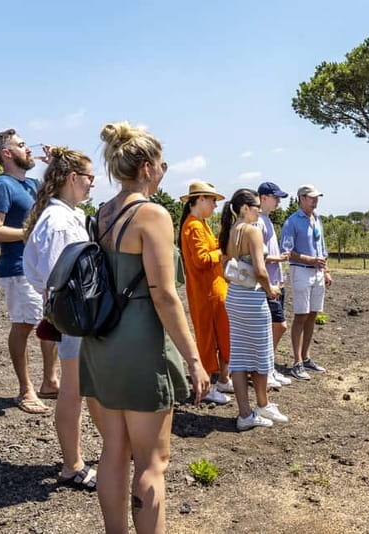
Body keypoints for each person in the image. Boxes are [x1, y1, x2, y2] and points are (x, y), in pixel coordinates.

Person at [80, 122, 210, 533]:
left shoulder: (102, 212)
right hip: (140, 345)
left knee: (112, 452)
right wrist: (194, 358)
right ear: (150, 168)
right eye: (163, 165)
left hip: (100, 342)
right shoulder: (151, 214)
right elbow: (165, 294)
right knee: (153, 464)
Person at [23, 146, 102, 490]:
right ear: (73, 178)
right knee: (73, 391)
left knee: (87, 387)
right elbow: (59, 277)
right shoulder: (58, 222)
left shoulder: (63, 216)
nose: (91, 185)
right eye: (89, 178)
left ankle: (111, 444)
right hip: (75, 315)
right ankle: (72, 465)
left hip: (77, 314)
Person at [0, 129, 58, 414]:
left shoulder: (33, 184)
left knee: (51, 323)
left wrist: (53, 165)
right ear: (6, 153)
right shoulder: (1, 185)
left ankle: (50, 382)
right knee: (26, 325)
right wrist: (30, 233)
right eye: (22, 145)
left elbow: (60, 196)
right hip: (18, 268)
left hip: (41, 267)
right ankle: (25, 390)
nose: (28, 149)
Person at [218, 189, 288, 431]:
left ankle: (245, 412)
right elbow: (260, 269)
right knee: (261, 354)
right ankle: (261, 404)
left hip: (234, 296)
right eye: (256, 206)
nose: (259, 210)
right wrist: (271, 290)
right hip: (252, 298)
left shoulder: (230, 231)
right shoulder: (253, 231)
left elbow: (224, 265)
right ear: (245, 208)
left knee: (239, 355)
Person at [178, 181, 234, 404]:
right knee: (208, 339)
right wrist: (221, 253)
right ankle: (207, 386)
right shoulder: (193, 226)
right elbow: (201, 260)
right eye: (212, 200)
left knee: (222, 336)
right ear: (199, 199)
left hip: (214, 291)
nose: (215, 205)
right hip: (206, 293)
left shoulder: (201, 224)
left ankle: (221, 379)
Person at [279, 184, 332, 381]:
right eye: (311, 197)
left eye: (317, 197)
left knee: (312, 314)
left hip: (318, 272)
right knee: (300, 315)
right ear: (301, 198)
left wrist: (326, 270)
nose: (315, 200)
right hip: (301, 271)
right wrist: (309, 260)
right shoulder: (291, 222)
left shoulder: (317, 219)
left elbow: (322, 247)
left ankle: (306, 357)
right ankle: (296, 361)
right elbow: (286, 251)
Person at [254, 181, 292, 389]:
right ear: (263, 197)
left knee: (274, 326)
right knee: (278, 325)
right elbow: (258, 256)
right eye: (275, 197)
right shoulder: (259, 222)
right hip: (268, 283)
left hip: (276, 281)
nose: (278, 201)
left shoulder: (266, 220)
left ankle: (267, 367)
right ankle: (264, 368)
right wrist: (278, 259)